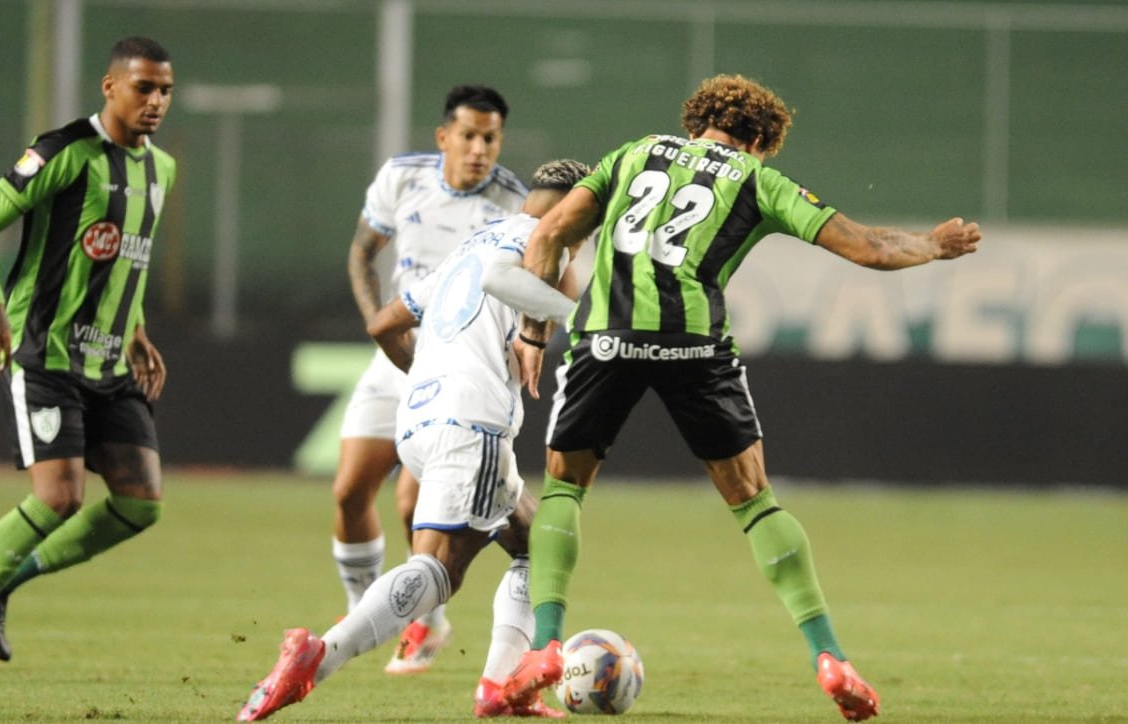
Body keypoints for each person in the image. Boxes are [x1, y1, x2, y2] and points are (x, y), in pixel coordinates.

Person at [499, 74, 983, 722]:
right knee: (755, 502)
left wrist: (533, 332)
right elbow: (866, 248)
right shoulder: (757, 180)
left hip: (606, 340)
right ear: (760, 138)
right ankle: (829, 657)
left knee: (563, 489)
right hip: (695, 346)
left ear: (700, 120)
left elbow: (548, 235)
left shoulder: (633, 153)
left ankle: (547, 645)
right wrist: (932, 245)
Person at [236, 160, 591, 721]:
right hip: (471, 423)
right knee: (440, 571)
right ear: (572, 212)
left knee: (534, 542)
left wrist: (433, 374)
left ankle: (499, 690)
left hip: (418, 418)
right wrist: (547, 327)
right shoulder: (547, 246)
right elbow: (549, 295)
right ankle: (319, 654)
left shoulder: (469, 249)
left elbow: (383, 324)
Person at [0, 36, 177, 683]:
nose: (157, 102)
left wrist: (136, 328)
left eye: (166, 90)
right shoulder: (64, 151)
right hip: (47, 357)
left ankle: (0, 583)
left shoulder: (160, 169)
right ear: (110, 87)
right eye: (144, 88)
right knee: (59, 498)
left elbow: (122, 260)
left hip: (111, 366)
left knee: (140, 503)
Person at [332, 84, 527, 674]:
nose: (479, 149)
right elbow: (362, 253)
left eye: (489, 138)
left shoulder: (514, 203)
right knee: (348, 492)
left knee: (416, 500)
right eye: (468, 136)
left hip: (465, 366)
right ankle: (368, 608)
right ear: (444, 136)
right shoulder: (401, 178)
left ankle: (416, 620)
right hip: (399, 351)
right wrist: (378, 321)